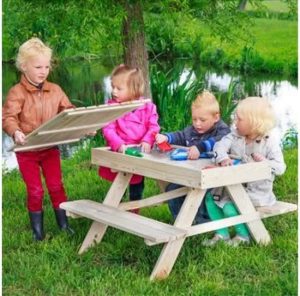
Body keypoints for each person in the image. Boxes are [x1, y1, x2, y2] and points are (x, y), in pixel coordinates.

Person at [2, 37, 75, 241]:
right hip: (27, 150)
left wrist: (80, 127)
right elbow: (8, 117)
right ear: (24, 67)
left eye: (46, 66)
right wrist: (15, 132)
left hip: (49, 147)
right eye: (38, 67)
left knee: (56, 186)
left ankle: (63, 225)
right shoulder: (17, 92)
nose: (43, 71)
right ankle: (37, 232)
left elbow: (68, 111)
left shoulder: (56, 90)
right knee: (35, 190)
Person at [203, 97, 286, 247]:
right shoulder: (234, 135)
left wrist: (264, 164)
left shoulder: (269, 142)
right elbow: (218, 147)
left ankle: (243, 236)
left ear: (254, 122)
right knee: (210, 199)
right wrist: (223, 158)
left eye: (239, 119)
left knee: (229, 207)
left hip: (256, 193)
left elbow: (280, 167)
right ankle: (222, 233)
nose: (235, 121)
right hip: (230, 186)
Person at [155, 90, 231, 223]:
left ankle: (203, 223)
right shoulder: (192, 130)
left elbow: (218, 141)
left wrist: (200, 147)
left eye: (202, 120)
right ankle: (180, 220)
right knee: (172, 189)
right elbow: (180, 136)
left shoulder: (223, 130)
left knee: (204, 195)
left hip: (212, 176)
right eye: (194, 119)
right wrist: (166, 137)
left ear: (216, 117)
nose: (197, 124)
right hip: (191, 173)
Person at [99, 64, 160, 213]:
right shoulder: (112, 107)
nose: (114, 92)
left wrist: (147, 140)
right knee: (119, 184)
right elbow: (108, 128)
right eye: (113, 87)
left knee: (137, 185)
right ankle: (114, 210)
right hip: (121, 151)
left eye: (119, 89)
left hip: (139, 152)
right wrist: (119, 144)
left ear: (134, 90)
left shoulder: (148, 107)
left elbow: (153, 127)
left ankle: (134, 211)